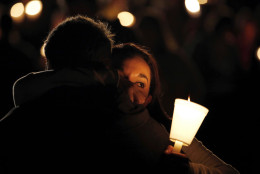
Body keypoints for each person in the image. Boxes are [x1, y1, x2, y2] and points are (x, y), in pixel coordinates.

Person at [0, 15, 190, 173]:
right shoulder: (122, 122)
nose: (123, 84)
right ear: (100, 71)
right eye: (113, 72)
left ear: (49, 64)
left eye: (140, 83)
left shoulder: (19, 117)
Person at [111, 42, 240, 174]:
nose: (128, 90)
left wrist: (187, 169)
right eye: (120, 78)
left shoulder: (169, 130)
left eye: (140, 84)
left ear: (148, 100)